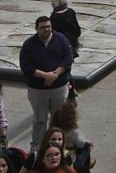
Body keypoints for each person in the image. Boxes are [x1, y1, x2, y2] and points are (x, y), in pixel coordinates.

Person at [18, 15, 75, 152]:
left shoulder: (61, 39)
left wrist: (55, 74)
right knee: (40, 120)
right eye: (43, 28)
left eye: (49, 27)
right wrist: (45, 75)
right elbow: (26, 66)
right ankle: (36, 150)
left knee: (58, 120)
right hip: (38, 91)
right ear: (36, 29)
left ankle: (59, 148)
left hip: (59, 88)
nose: (47, 30)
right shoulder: (29, 44)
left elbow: (68, 58)